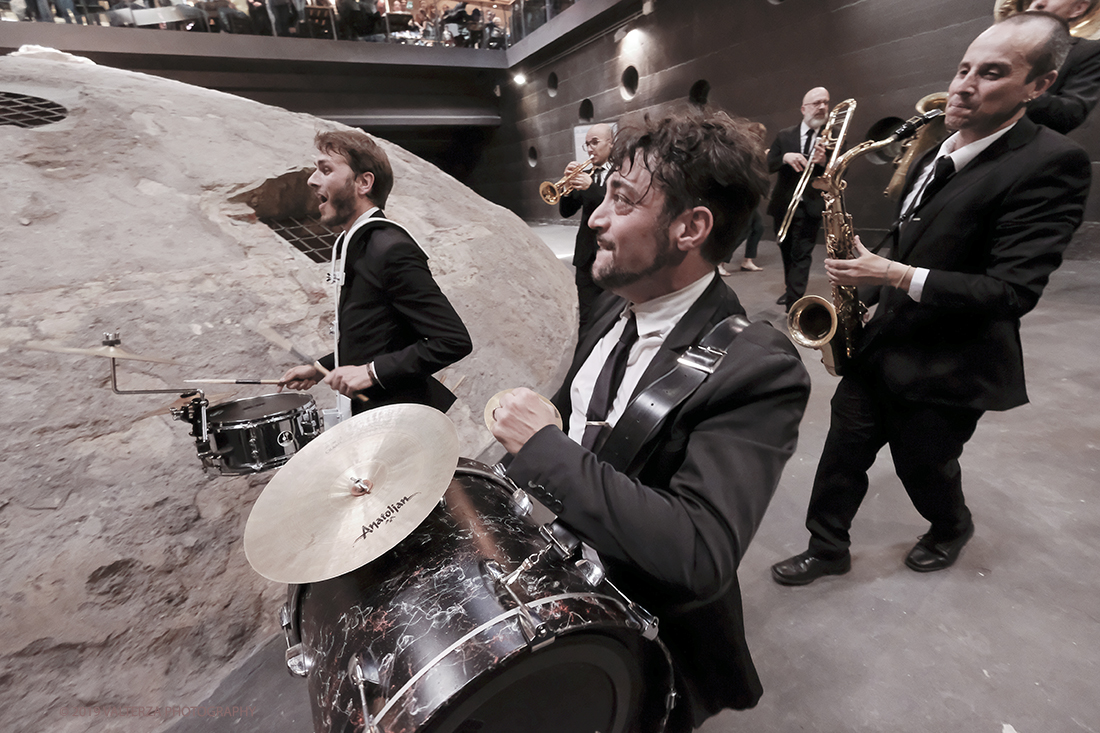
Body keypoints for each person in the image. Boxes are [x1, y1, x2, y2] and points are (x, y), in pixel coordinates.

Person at [490, 107, 811, 731]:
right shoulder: (618, 304)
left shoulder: (757, 366)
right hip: (566, 592)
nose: (597, 218)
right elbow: (581, 415)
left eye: (622, 200)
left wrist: (543, 447)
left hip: (643, 646)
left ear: (691, 227)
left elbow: (700, 552)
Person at [771, 12, 1091, 586]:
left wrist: (891, 273)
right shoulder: (933, 150)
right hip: (883, 341)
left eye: (992, 73)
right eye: (964, 67)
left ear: (1039, 86)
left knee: (925, 467)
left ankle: (950, 527)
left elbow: (1012, 291)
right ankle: (827, 547)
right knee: (843, 450)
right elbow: (910, 235)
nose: (965, 84)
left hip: (951, 361)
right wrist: (861, 274)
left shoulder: (1051, 163)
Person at [280, 130, 473, 416]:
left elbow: (452, 341)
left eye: (326, 169)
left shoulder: (390, 249)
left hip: (399, 421)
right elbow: (379, 336)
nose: (312, 179)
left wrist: (371, 373)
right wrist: (322, 368)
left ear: (363, 182)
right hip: (373, 418)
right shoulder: (357, 244)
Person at [766, 87, 830, 311]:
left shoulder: (832, 137)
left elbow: (840, 173)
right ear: (804, 109)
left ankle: (795, 305)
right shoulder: (785, 136)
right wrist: (784, 156)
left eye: (825, 103)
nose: (822, 107)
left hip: (810, 206)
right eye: (816, 103)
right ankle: (790, 289)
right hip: (784, 205)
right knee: (786, 250)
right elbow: (767, 164)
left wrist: (824, 163)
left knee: (802, 254)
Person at [557, 122, 613, 332]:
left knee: (612, 311)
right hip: (585, 255)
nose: (590, 149)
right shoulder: (586, 174)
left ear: (611, 143)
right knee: (586, 318)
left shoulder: (622, 173)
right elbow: (566, 211)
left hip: (611, 254)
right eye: (587, 144)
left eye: (595, 142)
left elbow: (615, 206)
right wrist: (567, 187)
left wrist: (591, 188)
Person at [1025, 0, 1100, 132]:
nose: (1038, 2)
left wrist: (1020, 91)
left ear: (1078, 8)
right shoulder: (994, 38)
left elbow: (1071, 114)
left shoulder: (1087, 52)